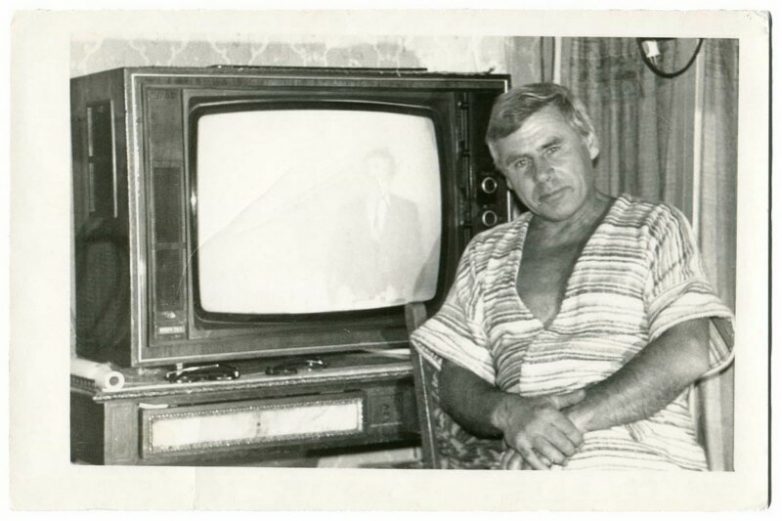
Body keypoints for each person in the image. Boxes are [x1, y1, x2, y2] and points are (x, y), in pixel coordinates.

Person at [410, 83, 734, 471]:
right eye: (521, 163)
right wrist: (510, 413)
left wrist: (565, 425)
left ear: (589, 141)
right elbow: (455, 382)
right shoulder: (485, 254)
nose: (543, 174)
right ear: (507, 179)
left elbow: (687, 351)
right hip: (529, 481)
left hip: (645, 471)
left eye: (552, 149)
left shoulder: (654, 226)